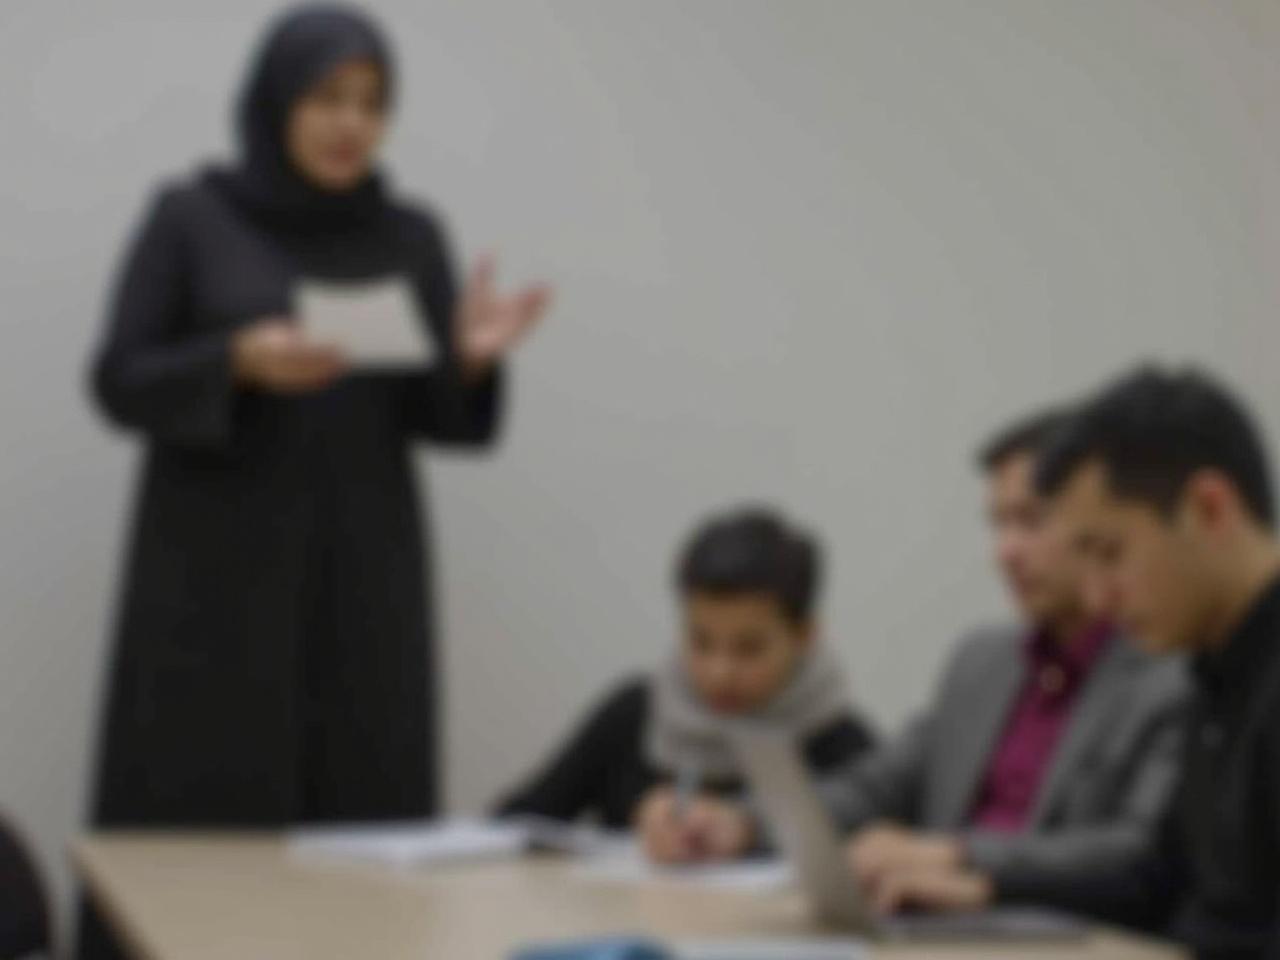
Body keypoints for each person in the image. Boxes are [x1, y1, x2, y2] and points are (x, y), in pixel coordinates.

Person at [80, 6, 549, 958]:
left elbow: (446, 425)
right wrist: (233, 363)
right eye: (329, 97)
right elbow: (117, 380)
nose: (351, 125)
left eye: (373, 104)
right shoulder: (192, 217)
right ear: (276, 102)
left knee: (361, 834)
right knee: (200, 838)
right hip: (210, 595)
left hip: (360, 585)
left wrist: (474, 361)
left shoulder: (410, 235)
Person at [660, 410, 1187, 911]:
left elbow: (1137, 853)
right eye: (998, 524)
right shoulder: (982, 662)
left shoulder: (1166, 673)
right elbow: (875, 787)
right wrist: (742, 824)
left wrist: (958, 857)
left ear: (1092, 523)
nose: (1006, 550)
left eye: (1031, 521)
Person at [1026, 367, 1280, 960]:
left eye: (1109, 552)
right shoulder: (1213, 670)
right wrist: (978, 882)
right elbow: (1160, 877)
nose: (1096, 598)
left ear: (1210, 509)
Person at [495, 507, 876, 861]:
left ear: (804, 636)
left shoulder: (844, 747)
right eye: (700, 641)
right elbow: (514, 824)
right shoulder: (634, 713)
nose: (719, 672)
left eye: (749, 648)